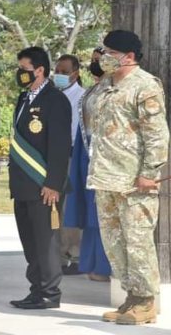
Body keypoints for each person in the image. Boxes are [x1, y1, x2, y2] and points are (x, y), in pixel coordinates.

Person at [87, 30, 169, 325]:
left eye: (109, 52)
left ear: (129, 56)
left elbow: (157, 134)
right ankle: (132, 297)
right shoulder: (106, 85)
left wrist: (149, 173)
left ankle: (146, 301)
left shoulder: (145, 86)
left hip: (134, 181)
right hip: (105, 177)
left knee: (137, 241)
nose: (103, 57)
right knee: (114, 243)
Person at [9, 46, 72, 310]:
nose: (20, 73)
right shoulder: (24, 99)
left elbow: (60, 146)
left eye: (24, 69)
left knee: (46, 242)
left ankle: (49, 292)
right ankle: (36, 289)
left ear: (40, 70)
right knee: (30, 242)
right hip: (23, 185)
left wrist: (53, 183)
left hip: (44, 185)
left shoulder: (55, 100)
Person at [64, 48, 111, 282]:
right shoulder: (92, 91)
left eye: (99, 60)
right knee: (90, 214)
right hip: (86, 154)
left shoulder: (115, 91)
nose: (95, 64)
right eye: (93, 60)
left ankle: (104, 267)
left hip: (106, 158)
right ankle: (91, 264)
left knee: (103, 214)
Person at [53, 55, 86, 276]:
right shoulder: (52, 95)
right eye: (57, 71)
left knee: (69, 207)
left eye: (64, 72)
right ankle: (57, 255)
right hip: (52, 157)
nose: (59, 75)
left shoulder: (82, 97)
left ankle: (74, 254)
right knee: (53, 207)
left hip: (71, 156)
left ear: (75, 74)